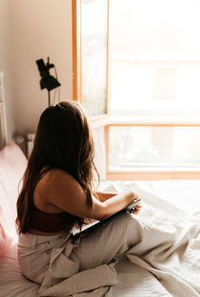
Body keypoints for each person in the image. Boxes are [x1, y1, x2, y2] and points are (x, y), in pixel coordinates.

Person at [16, 101, 142, 285]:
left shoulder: (42, 168)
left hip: (39, 255)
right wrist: (129, 194)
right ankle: (166, 242)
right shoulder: (55, 179)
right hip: (46, 264)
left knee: (114, 196)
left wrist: (121, 199)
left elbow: (83, 197)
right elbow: (100, 211)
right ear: (73, 141)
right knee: (126, 224)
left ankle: (162, 238)